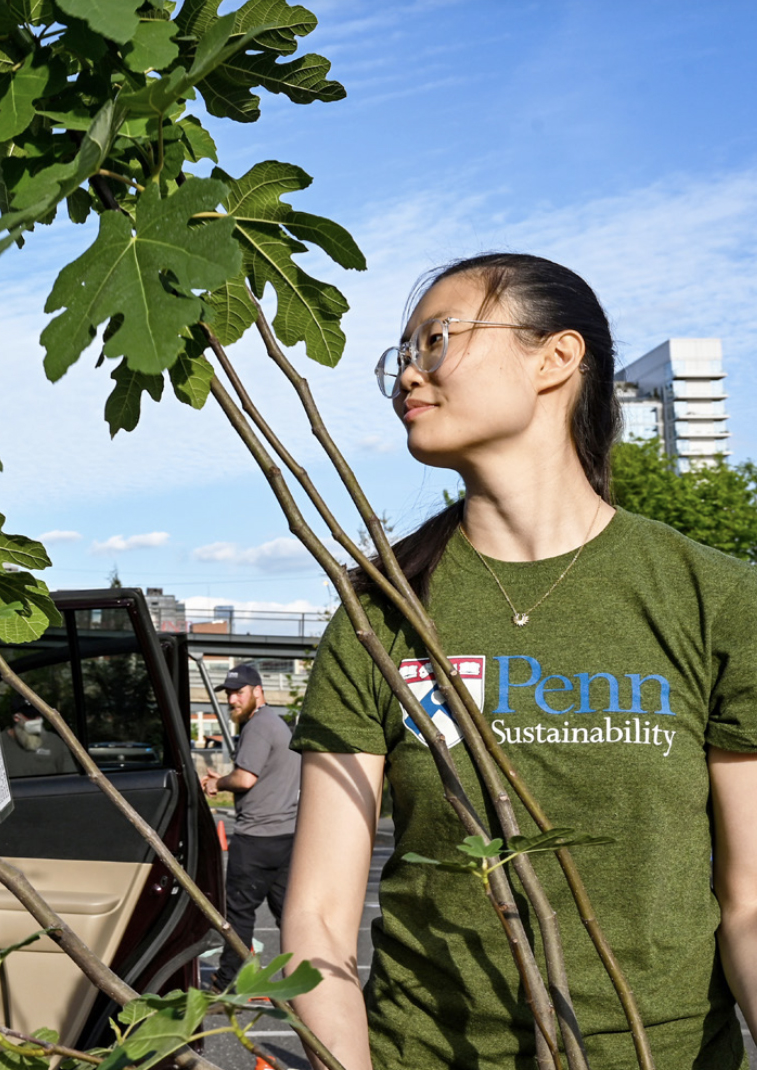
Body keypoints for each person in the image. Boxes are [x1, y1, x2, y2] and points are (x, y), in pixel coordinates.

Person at [284, 253, 757, 1069]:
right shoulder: (379, 616)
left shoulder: (713, 597)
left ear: (556, 358)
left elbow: (751, 902)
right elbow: (319, 919)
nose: (408, 374)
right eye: (397, 357)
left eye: (435, 340)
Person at [202, 663, 301, 994]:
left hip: (257, 838)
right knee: (289, 916)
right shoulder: (278, 725)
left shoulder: (258, 726)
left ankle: (227, 984)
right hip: (286, 836)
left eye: (238, 692)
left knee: (238, 914)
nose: (232, 700)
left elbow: (245, 779)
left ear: (258, 692)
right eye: (229, 693)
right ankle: (305, 983)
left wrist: (218, 784)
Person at [0, 696, 77, 778]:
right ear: (16, 718)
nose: (36, 719)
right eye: (30, 716)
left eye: (38, 714)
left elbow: (71, 781)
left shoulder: (55, 743)